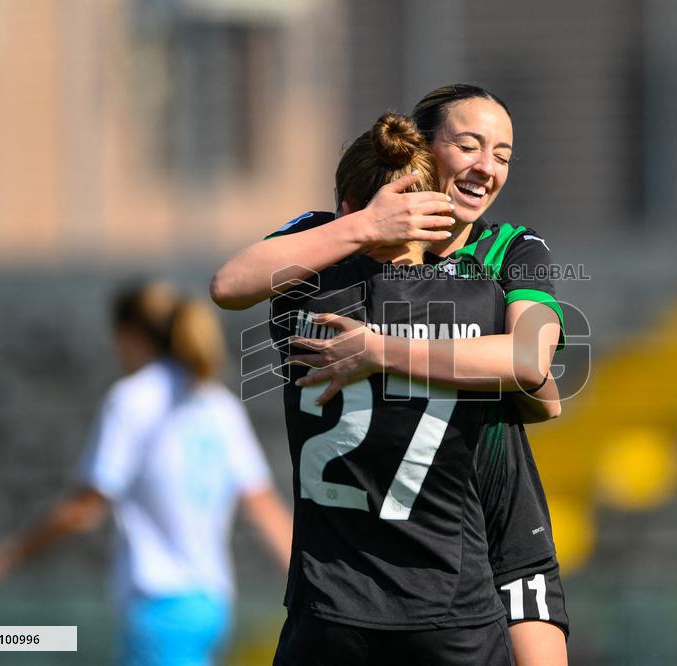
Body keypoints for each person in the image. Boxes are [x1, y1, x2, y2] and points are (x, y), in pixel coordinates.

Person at [213, 85, 569, 665]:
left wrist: (384, 350)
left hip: (496, 501)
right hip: (415, 541)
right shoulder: (333, 243)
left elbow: (536, 376)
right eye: (470, 146)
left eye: (503, 155)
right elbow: (230, 283)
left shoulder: (510, 249)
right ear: (420, 154)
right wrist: (364, 228)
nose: (487, 167)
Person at [265, 112, 515, 664]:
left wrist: (348, 231)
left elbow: (230, 283)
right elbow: (538, 384)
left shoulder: (299, 296)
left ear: (347, 211)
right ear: (434, 213)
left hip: (328, 607)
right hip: (450, 605)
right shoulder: (480, 303)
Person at [0, 281, 293, 666]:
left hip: (159, 605)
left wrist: (7, 556)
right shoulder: (219, 405)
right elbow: (266, 509)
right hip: (212, 605)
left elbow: (83, 509)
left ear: (132, 335)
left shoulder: (132, 400)